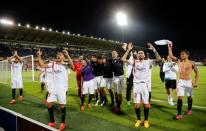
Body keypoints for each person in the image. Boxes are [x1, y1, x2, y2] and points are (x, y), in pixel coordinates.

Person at [122, 42, 161, 128]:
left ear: (144, 55)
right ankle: (139, 119)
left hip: (145, 86)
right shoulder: (134, 62)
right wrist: (128, 50)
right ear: (137, 55)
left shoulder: (148, 61)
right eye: (139, 53)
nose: (140, 54)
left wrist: (154, 49)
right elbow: (123, 59)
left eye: (142, 53)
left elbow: (159, 59)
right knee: (136, 105)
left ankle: (146, 120)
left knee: (146, 104)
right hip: (136, 86)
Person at [36, 49, 74, 131]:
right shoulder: (52, 64)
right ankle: (52, 122)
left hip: (61, 89)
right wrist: (39, 55)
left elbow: (73, 67)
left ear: (63, 57)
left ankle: (63, 123)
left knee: (62, 105)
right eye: (58, 55)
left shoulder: (65, 65)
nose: (58, 55)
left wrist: (68, 56)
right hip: (53, 89)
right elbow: (42, 65)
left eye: (60, 55)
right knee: (49, 104)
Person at [168, 44, 199, 120]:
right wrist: (169, 47)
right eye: (181, 54)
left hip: (189, 82)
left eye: (183, 54)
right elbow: (171, 55)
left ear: (187, 55)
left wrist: (195, 82)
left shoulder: (192, 63)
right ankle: (179, 114)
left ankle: (189, 110)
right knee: (180, 98)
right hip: (180, 82)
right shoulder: (178, 61)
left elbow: (197, 73)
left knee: (189, 97)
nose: (181, 55)